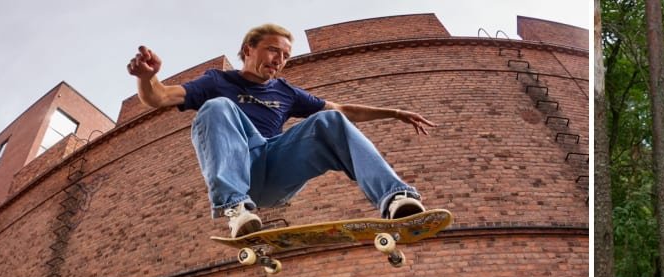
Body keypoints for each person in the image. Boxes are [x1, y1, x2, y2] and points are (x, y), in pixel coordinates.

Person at [127, 23, 435, 238]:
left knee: (331, 121)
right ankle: (234, 208)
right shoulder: (217, 81)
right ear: (249, 49)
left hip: (275, 169)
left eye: (285, 56)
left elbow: (342, 110)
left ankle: (395, 199)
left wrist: (394, 112)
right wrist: (146, 78)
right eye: (273, 51)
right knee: (217, 106)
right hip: (238, 170)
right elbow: (160, 97)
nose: (279, 60)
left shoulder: (286, 92)